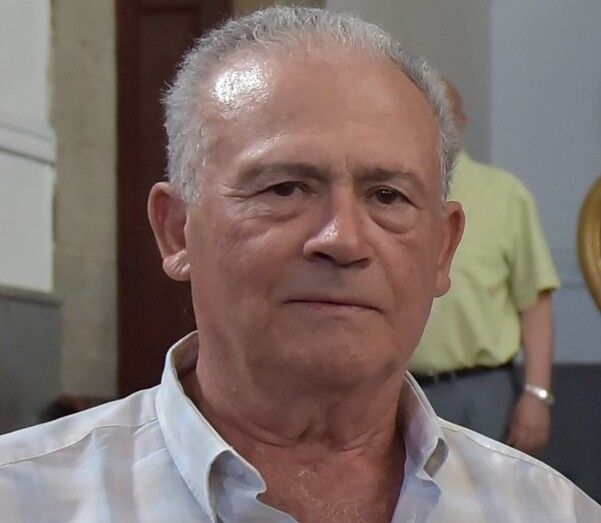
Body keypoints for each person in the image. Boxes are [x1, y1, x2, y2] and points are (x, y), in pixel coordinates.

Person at [0, 7, 597, 522]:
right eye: (285, 188)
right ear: (177, 231)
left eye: (387, 196)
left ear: (442, 249)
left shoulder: (549, 510)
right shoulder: (28, 498)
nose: (343, 239)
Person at [410, 82, 560, 456]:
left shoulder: (505, 194)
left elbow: (535, 304)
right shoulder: (386, 191)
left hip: (482, 391)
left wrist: (537, 394)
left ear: (460, 121)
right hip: (395, 388)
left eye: (442, 113)